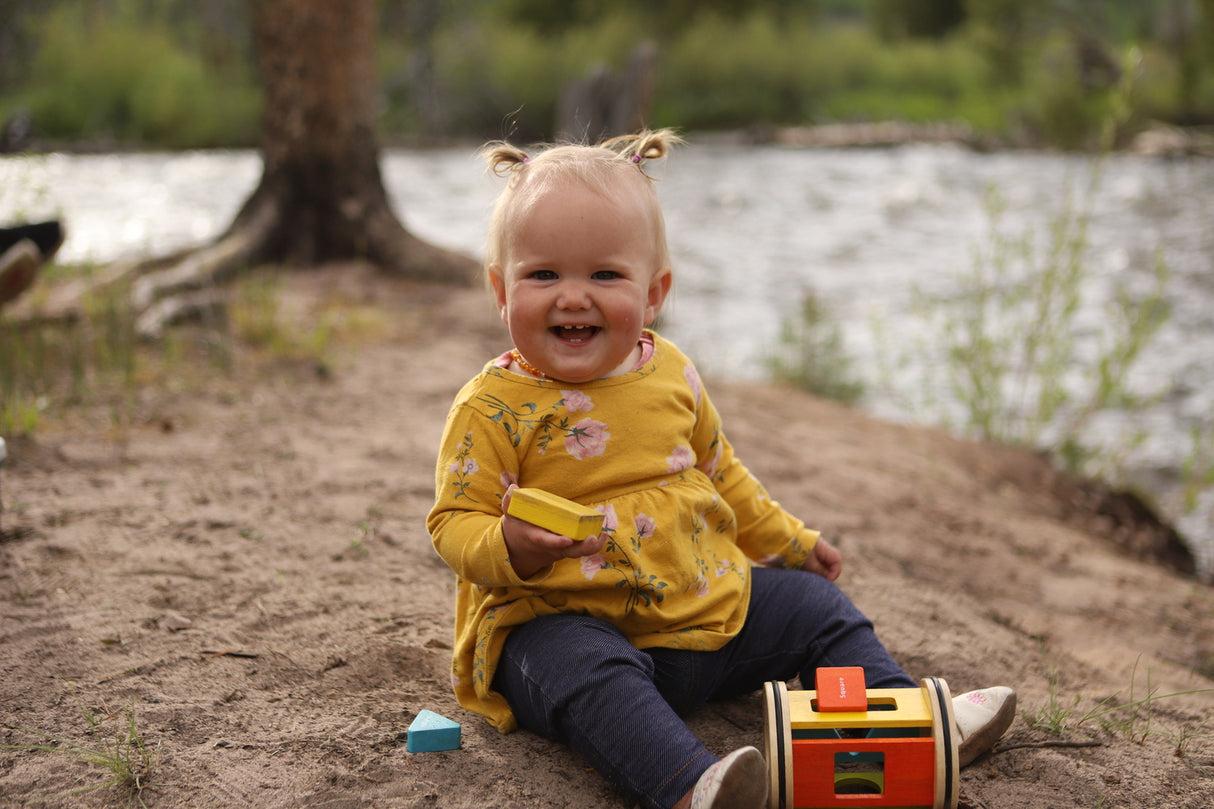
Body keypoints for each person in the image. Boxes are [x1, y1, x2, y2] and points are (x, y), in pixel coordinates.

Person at [427, 129, 1015, 809]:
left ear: (655, 292)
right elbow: (453, 522)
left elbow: (720, 471)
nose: (573, 297)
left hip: (701, 615)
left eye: (605, 275)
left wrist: (789, 541)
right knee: (579, 663)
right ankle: (692, 783)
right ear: (501, 288)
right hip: (563, 620)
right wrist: (508, 546)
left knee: (816, 607)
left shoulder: (672, 372)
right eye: (543, 274)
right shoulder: (493, 407)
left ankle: (901, 721)